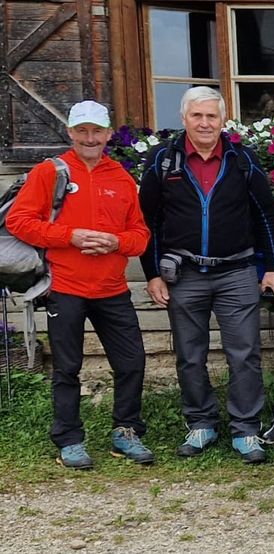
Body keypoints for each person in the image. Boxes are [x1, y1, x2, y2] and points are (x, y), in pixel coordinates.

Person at [139, 86, 274, 463]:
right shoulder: (162, 161)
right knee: (190, 354)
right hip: (184, 273)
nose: (205, 123)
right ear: (184, 119)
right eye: (197, 116)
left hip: (237, 270)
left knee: (245, 353)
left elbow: (265, 215)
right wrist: (152, 273)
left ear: (223, 120)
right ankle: (201, 423)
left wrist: (272, 269)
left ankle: (246, 429)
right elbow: (147, 221)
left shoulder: (242, 159)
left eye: (212, 116)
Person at [6, 100, 152, 469]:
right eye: (82, 130)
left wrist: (116, 242)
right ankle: (69, 439)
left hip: (112, 288)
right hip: (66, 286)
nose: (90, 138)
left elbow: (140, 236)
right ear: (70, 132)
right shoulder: (49, 172)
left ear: (107, 133)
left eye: (97, 131)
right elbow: (20, 222)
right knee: (67, 367)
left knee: (132, 362)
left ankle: (126, 431)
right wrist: (71, 236)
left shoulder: (120, 176)